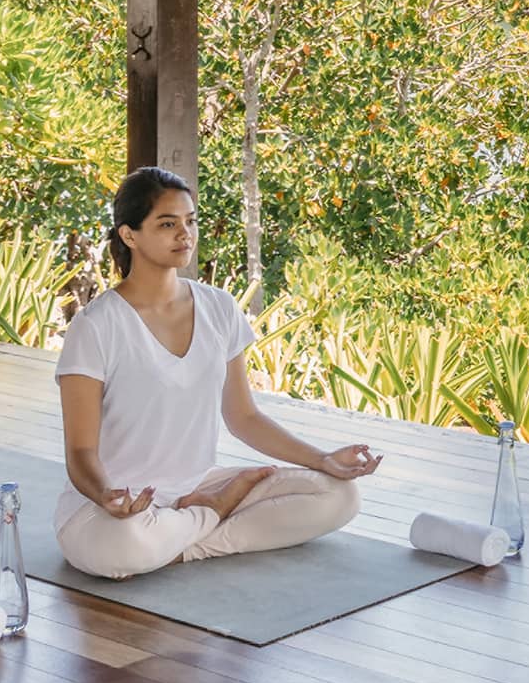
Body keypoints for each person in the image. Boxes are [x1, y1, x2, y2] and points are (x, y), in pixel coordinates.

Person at [55, 167, 381, 579]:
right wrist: (107, 496)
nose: (184, 234)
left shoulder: (220, 308)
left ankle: (187, 534)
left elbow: (244, 417)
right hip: (115, 506)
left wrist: (323, 458)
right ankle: (215, 512)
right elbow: (80, 452)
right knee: (121, 548)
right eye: (167, 224)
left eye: (190, 221)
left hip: (197, 484)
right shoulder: (96, 326)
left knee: (338, 495)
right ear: (129, 235)